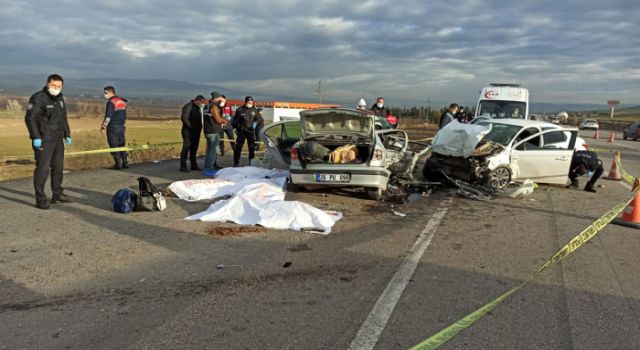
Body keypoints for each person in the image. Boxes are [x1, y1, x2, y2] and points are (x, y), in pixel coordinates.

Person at [24, 74, 72, 209]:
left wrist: (67, 133)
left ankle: (57, 193)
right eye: (53, 86)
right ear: (47, 84)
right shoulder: (38, 98)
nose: (56, 88)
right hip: (44, 140)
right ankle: (40, 198)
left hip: (57, 139)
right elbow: (30, 119)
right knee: (43, 169)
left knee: (58, 167)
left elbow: (63, 118)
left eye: (59, 86)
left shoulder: (60, 98)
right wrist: (36, 137)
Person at [100, 86, 129, 170]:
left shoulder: (111, 102)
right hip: (121, 126)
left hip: (113, 127)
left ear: (110, 92)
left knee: (113, 145)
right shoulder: (122, 101)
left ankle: (118, 164)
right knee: (121, 144)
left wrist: (103, 126)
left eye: (105, 93)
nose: (104, 95)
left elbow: (108, 116)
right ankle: (125, 162)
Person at [179, 95, 206, 172]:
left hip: (196, 132)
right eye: (201, 102)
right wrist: (191, 127)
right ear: (198, 100)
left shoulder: (197, 108)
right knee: (186, 148)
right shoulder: (188, 106)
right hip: (188, 132)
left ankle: (194, 165)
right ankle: (183, 166)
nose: (202, 104)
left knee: (194, 149)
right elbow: (184, 118)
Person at [203, 91, 227, 176]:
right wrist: (225, 120)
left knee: (209, 151)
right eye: (220, 98)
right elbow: (218, 119)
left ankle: (207, 167)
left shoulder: (206, 105)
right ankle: (209, 169)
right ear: (216, 98)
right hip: (213, 131)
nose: (221, 100)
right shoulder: (214, 106)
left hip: (207, 130)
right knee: (212, 151)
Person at [232, 96, 259, 167]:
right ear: (245, 102)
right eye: (249, 102)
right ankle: (236, 162)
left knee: (251, 148)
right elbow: (235, 121)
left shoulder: (254, 110)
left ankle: (251, 163)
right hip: (242, 132)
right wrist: (238, 127)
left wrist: (256, 122)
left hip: (250, 132)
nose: (250, 103)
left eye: (251, 102)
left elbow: (259, 118)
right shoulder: (240, 110)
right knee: (238, 148)